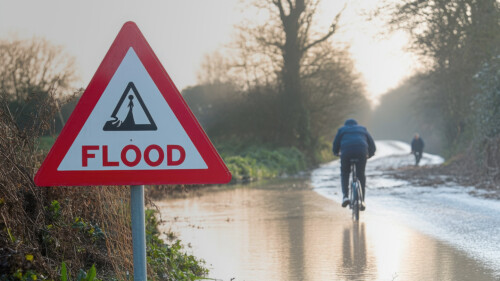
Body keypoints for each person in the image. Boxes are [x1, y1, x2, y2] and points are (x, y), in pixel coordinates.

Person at [332, 119, 376, 210]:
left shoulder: (342, 130)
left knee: (345, 173)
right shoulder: (362, 129)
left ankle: (345, 196)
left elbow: (335, 144)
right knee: (361, 174)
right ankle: (362, 200)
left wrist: (336, 152)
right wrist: (370, 154)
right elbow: (372, 144)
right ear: (356, 124)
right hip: (361, 152)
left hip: (346, 152)